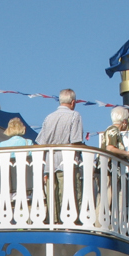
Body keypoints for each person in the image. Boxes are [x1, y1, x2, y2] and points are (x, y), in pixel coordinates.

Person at [36, 89, 85, 221]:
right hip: (67, 161)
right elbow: (75, 141)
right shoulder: (75, 115)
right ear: (73, 102)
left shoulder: (49, 117)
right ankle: (71, 221)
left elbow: (41, 142)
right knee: (70, 193)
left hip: (50, 162)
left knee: (52, 194)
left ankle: (54, 221)